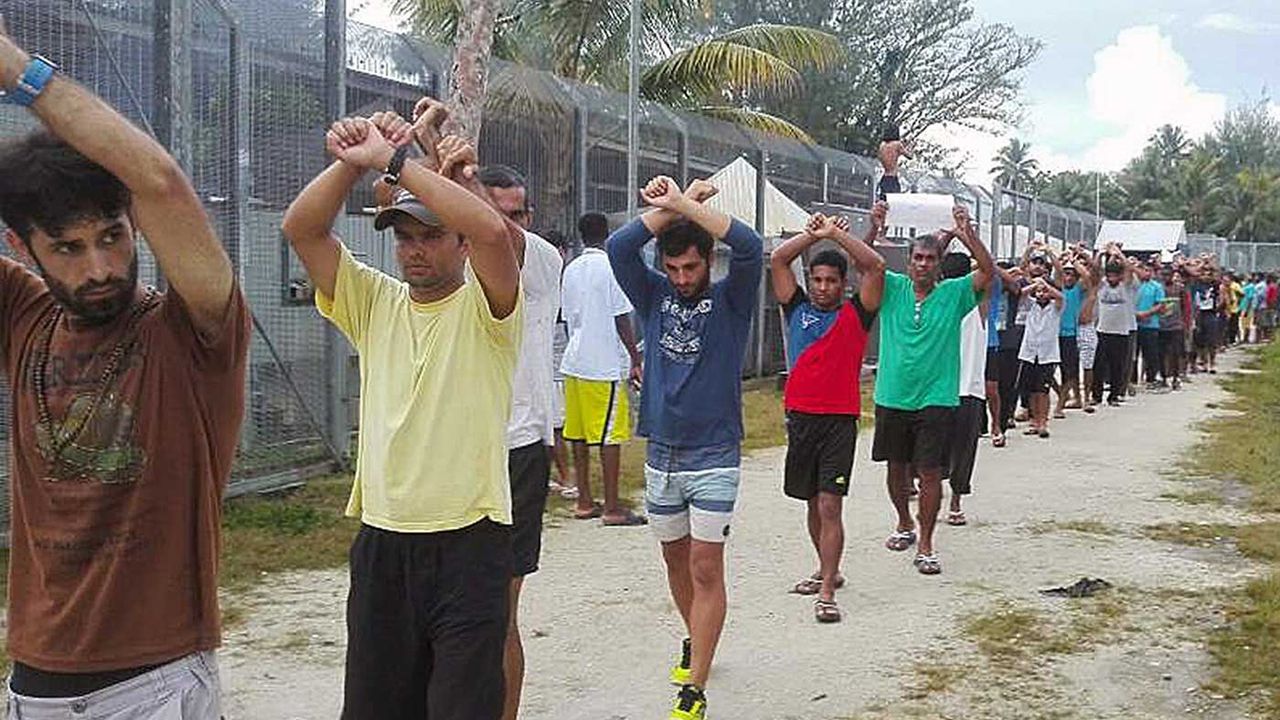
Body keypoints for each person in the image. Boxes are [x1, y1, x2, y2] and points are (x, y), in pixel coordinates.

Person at [0, 30, 249, 718]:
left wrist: (18, 72)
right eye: (69, 249)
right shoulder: (22, 316)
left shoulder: (193, 330)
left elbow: (158, 181)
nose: (100, 268)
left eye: (112, 234)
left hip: (153, 684)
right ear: (23, 248)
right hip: (33, 682)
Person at [283, 110, 522, 720]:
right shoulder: (375, 302)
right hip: (385, 540)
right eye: (405, 237)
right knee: (374, 706)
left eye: (431, 236)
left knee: (461, 707)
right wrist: (353, 159)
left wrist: (396, 164)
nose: (415, 251)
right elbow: (303, 230)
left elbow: (494, 235)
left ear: (458, 243)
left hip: (470, 542)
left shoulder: (487, 308)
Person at [608, 175, 761, 720]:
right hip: (661, 454)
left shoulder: (731, 299)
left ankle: (694, 690)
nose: (681, 278)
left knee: (703, 567)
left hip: (714, 454)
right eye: (672, 269)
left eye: (691, 268)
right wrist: (676, 211)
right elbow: (618, 248)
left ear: (707, 262)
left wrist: (683, 206)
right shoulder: (652, 294)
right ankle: (696, 640)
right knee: (674, 560)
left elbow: (752, 246)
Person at [470, 162, 566, 720]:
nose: (505, 221)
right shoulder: (460, 264)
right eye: (496, 209)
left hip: (517, 452)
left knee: (500, 611)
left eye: (516, 212)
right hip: (459, 449)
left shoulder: (542, 259)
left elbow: (497, 236)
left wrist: (443, 157)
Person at [770, 206, 886, 624]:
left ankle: (826, 591)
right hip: (800, 418)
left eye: (830, 281)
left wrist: (837, 236)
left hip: (838, 420)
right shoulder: (795, 308)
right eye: (816, 279)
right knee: (811, 503)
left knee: (830, 504)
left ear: (842, 284)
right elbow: (779, 260)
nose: (821, 287)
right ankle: (826, 569)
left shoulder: (857, 314)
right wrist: (812, 234)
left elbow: (875, 266)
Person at [872, 204, 995, 576]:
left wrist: (966, 233)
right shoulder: (892, 288)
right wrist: (873, 228)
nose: (923, 264)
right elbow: (866, 264)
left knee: (929, 473)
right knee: (895, 469)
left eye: (930, 259)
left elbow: (988, 273)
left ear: (939, 265)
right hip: (893, 395)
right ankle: (903, 522)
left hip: (937, 398)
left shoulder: (955, 294)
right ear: (908, 262)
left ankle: (926, 543)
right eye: (918, 258)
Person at [560, 211, 646, 526]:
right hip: (603, 364)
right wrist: (635, 359)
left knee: (579, 434)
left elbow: (569, 317)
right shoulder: (611, 267)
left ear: (581, 236)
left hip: (574, 361)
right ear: (607, 234)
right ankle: (612, 507)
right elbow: (621, 316)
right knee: (610, 436)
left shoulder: (570, 269)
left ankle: (584, 501)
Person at [941, 252, 987, 525]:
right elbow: (986, 267)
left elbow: (987, 270)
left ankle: (952, 499)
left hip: (962, 386)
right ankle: (954, 502)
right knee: (961, 450)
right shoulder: (938, 302)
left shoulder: (975, 301)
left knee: (942, 448)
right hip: (957, 388)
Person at [1091, 244, 1138, 407]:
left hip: (1121, 331)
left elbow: (1129, 270)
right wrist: (1100, 254)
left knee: (1117, 365)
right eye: (1109, 275)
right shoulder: (1102, 284)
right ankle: (1096, 396)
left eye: (1114, 276)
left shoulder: (1125, 286)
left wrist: (1119, 254)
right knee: (1099, 365)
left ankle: (1114, 395)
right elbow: (1095, 271)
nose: (1111, 279)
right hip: (1103, 330)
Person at [1018, 276, 1064, 437]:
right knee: (1030, 390)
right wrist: (1034, 285)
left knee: (1042, 390)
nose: (1041, 294)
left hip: (1048, 354)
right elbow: (1020, 294)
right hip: (1029, 353)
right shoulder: (1030, 305)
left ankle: (1043, 421)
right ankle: (1033, 421)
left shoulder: (1055, 307)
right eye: (1039, 292)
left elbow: (1060, 297)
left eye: (1045, 291)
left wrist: (1045, 285)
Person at [1054, 250, 1086, 416]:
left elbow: (1086, 277)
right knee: (1050, 371)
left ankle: (1059, 405)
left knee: (1070, 371)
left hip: (1071, 335)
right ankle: (1065, 394)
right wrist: (1056, 257)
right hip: (1055, 335)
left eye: (1072, 275)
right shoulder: (1058, 289)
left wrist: (1074, 262)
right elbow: (1057, 273)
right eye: (1066, 274)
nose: (1068, 277)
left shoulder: (1078, 290)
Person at [1134, 261, 1167, 391]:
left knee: (1150, 353)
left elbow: (1160, 304)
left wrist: (1146, 313)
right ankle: (1132, 380)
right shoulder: (1134, 285)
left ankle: (1151, 378)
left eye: (1149, 270)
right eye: (1144, 270)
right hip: (1134, 324)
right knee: (1133, 354)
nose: (1146, 273)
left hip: (1151, 324)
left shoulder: (1157, 286)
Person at [1191, 264, 1222, 373]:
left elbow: (1218, 273)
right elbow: (1193, 272)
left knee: (1212, 340)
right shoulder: (1196, 284)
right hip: (1199, 313)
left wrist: (1210, 263)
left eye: (1209, 274)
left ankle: (1212, 363)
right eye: (1204, 274)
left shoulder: (1215, 285)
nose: (1206, 276)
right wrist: (1201, 265)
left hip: (1211, 313)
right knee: (1200, 340)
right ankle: (1203, 362)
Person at [1159, 267, 1187, 390]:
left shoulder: (1179, 289)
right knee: (1161, 353)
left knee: (1176, 353)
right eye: (1163, 275)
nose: (1166, 278)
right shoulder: (1159, 288)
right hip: (1161, 325)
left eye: (1168, 275)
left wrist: (1186, 322)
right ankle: (1163, 377)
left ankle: (1176, 377)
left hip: (1176, 325)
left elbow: (1185, 306)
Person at [877, 123, 912, 199]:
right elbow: (909, 156)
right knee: (895, 202)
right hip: (892, 178)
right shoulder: (897, 144)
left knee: (883, 201)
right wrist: (910, 146)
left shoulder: (882, 145)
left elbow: (881, 157)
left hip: (884, 177)